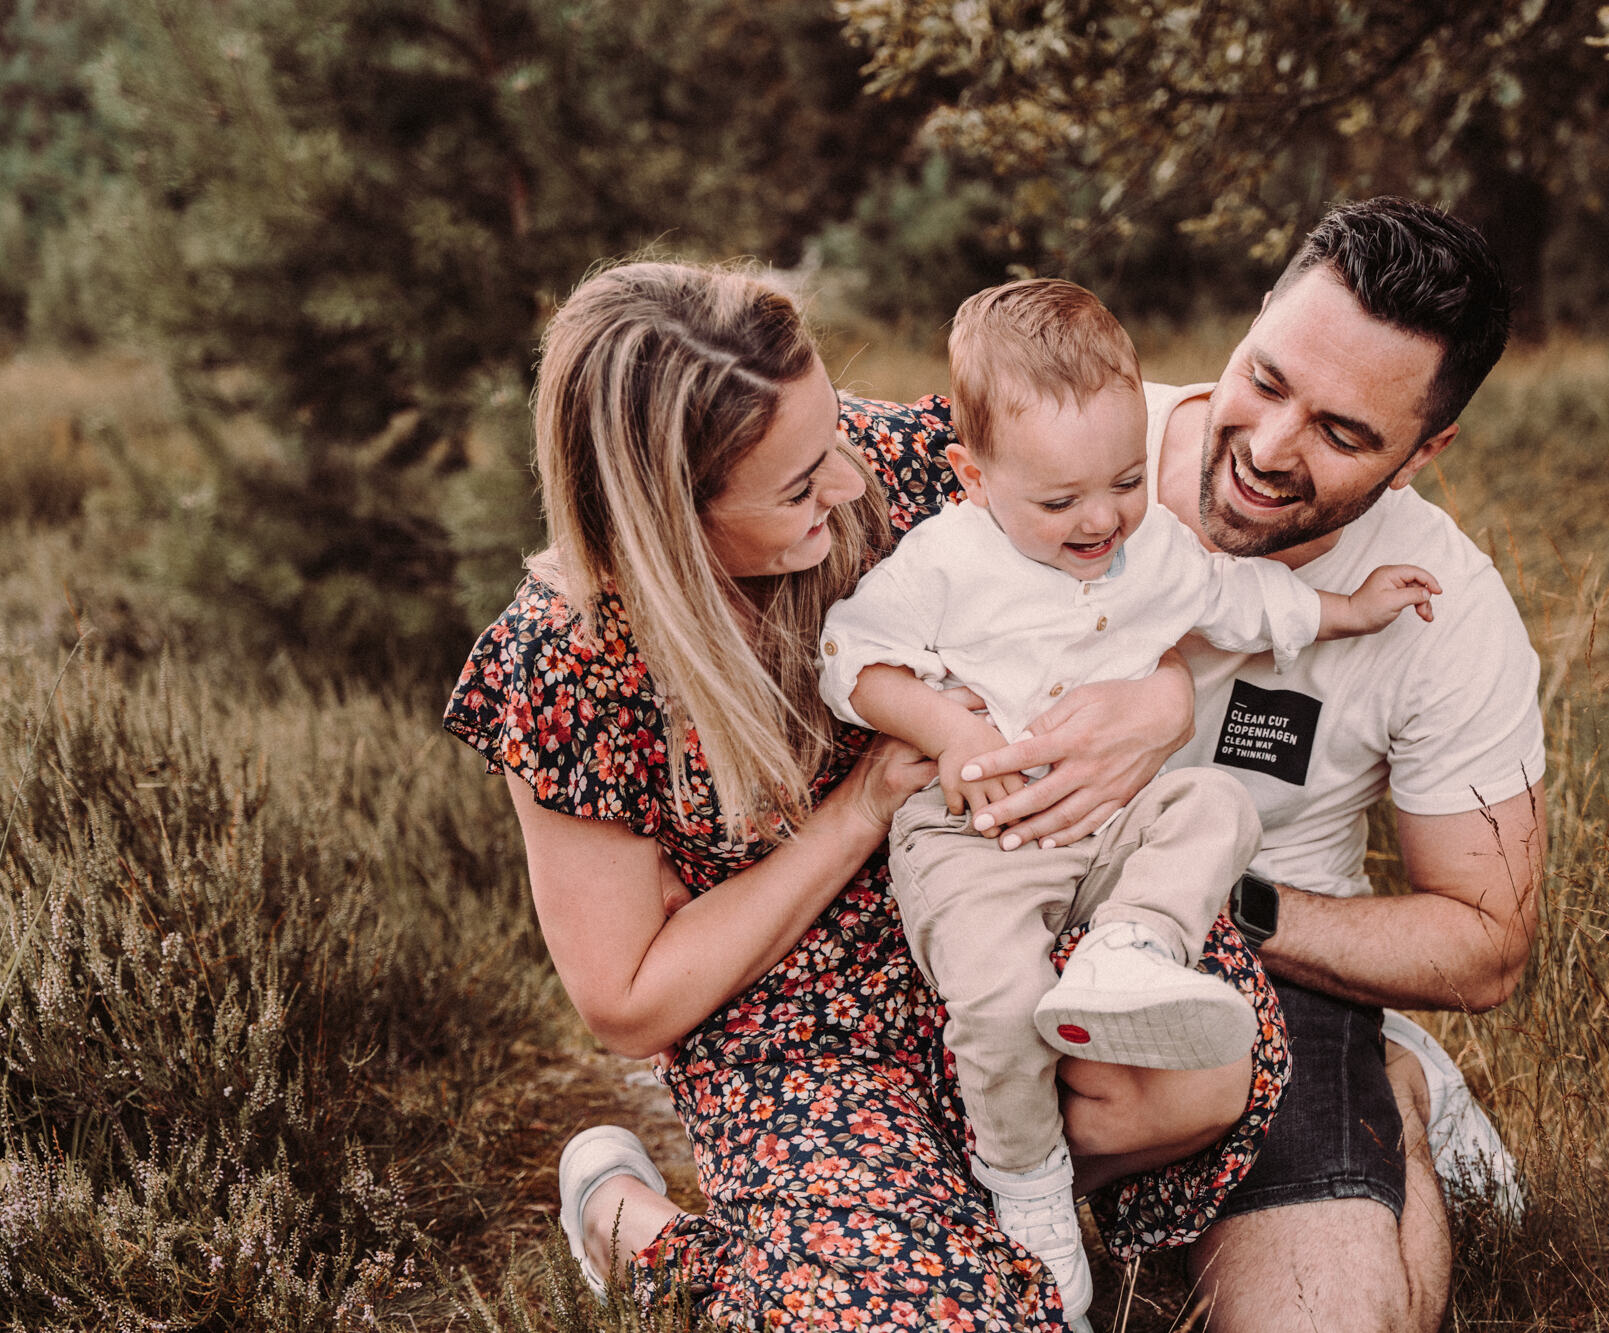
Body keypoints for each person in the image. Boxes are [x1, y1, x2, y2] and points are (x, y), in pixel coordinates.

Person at [441, 261, 1291, 1331]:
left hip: (1001, 884)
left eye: (832, 432)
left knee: (1204, 1065)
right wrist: (860, 804)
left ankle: (941, 1218)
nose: (846, 484)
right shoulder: (570, 660)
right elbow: (627, 998)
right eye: (798, 487)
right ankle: (637, 1231)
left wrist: (1161, 701)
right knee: (924, 1317)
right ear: (668, 521)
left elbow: (1118, 574)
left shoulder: (901, 464)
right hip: (794, 1022)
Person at [916, 198, 1547, 1333]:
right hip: (987, 921)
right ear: (1253, 316)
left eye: (1342, 434)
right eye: (1265, 380)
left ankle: (1382, 1077)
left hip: (1245, 986)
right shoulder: (1060, 434)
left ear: (1423, 453)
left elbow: (1484, 941)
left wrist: (1213, 904)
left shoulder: (1442, 610)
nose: (1265, 449)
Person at [815, 277, 1443, 1318]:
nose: (1100, 517)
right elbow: (851, 659)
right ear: (972, 477)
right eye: (1059, 502)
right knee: (999, 997)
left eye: (1120, 480)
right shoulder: (942, 562)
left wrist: (1349, 609)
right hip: (976, 837)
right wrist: (949, 729)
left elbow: (1243, 599)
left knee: (1213, 808)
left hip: (1104, 833)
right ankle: (1027, 1188)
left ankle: (1131, 948)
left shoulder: (1149, 545)